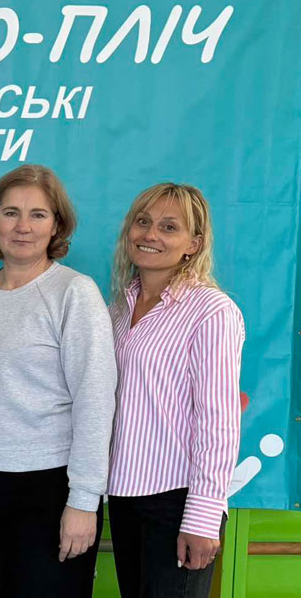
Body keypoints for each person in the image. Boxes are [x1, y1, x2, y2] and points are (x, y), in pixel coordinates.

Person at [0, 164, 117, 598]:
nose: (23, 226)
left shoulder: (75, 293)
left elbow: (96, 402)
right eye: (11, 212)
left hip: (49, 486)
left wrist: (84, 500)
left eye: (38, 214)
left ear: (57, 224)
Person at [106, 183, 244, 598]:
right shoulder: (118, 309)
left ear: (193, 244)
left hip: (179, 500)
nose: (150, 234)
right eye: (143, 222)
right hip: (124, 494)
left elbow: (218, 421)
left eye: (169, 227)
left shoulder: (211, 311)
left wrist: (203, 516)